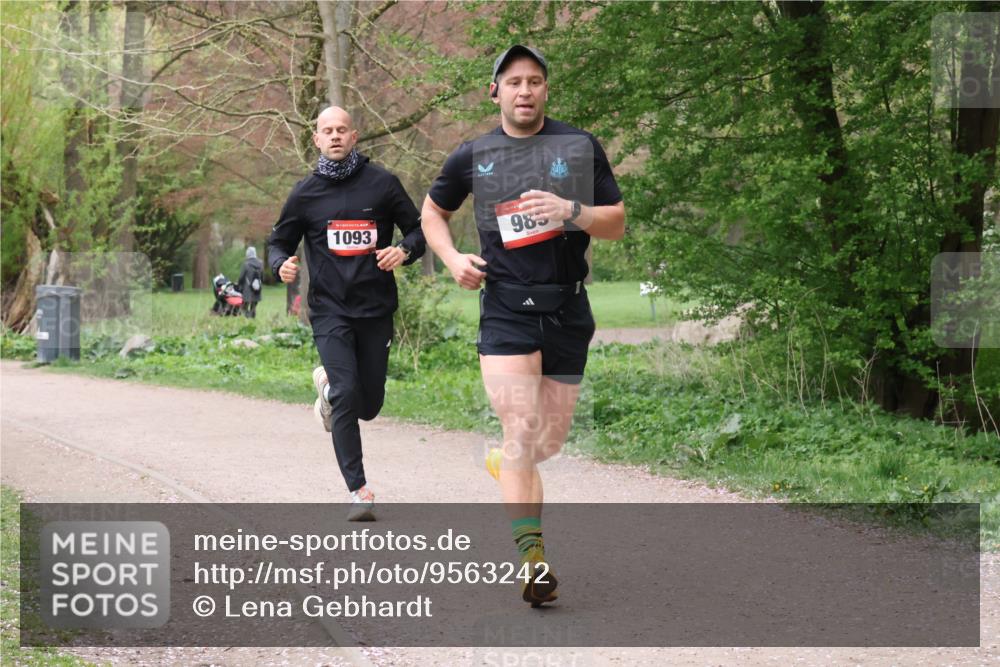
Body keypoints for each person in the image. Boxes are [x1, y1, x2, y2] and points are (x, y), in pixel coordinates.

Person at [421, 45, 625, 607]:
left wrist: (572, 212)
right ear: (496, 92)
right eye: (514, 82)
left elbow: (617, 223)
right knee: (521, 428)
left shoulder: (579, 147)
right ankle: (533, 561)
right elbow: (433, 211)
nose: (525, 91)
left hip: (567, 311)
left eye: (535, 81)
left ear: (545, 90)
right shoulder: (473, 154)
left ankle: (503, 466)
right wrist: (452, 259)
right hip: (507, 309)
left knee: (545, 444)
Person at [268, 106, 425, 521]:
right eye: (326, 131)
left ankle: (329, 392)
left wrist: (404, 250)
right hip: (329, 310)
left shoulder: (383, 184)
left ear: (354, 136)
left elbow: (419, 230)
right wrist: (280, 264)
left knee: (368, 404)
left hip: (375, 309)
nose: (334, 136)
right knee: (347, 392)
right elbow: (277, 242)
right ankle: (358, 491)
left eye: (342, 130)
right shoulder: (305, 193)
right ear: (316, 139)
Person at [238, 246, 264, 318]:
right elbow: (262, 277)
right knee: (253, 307)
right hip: (257, 289)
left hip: (247, 290)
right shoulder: (261, 263)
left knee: (243, 307)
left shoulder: (246, 264)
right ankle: (252, 318)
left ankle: (247, 317)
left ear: (247, 254)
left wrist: (239, 286)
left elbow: (241, 277)